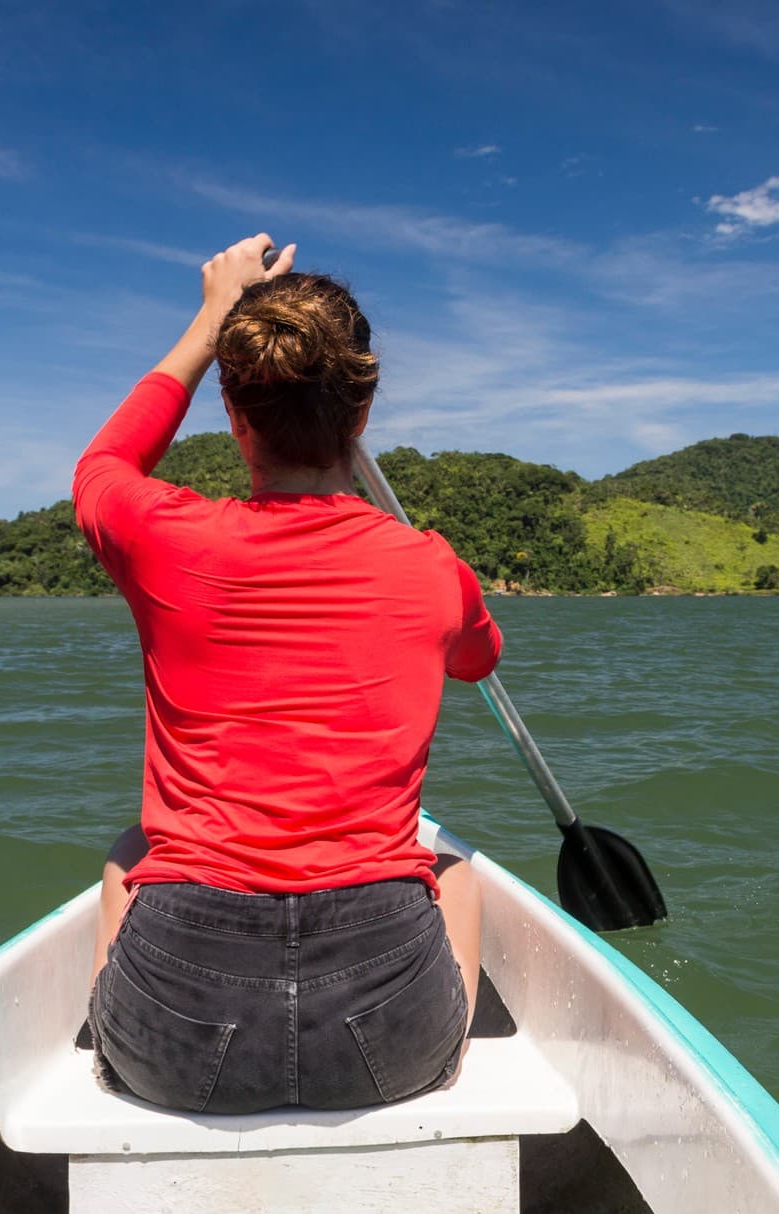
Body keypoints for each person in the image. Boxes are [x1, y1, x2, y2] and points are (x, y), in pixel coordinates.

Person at [71, 233, 503, 1115]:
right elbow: (479, 661)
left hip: (178, 1047)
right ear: (365, 412)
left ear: (233, 417)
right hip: (386, 1044)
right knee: (454, 869)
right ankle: (446, 1052)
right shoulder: (432, 566)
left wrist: (208, 320)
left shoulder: (162, 540)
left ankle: (115, 1037)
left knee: (131, 854)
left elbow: (104, 465)